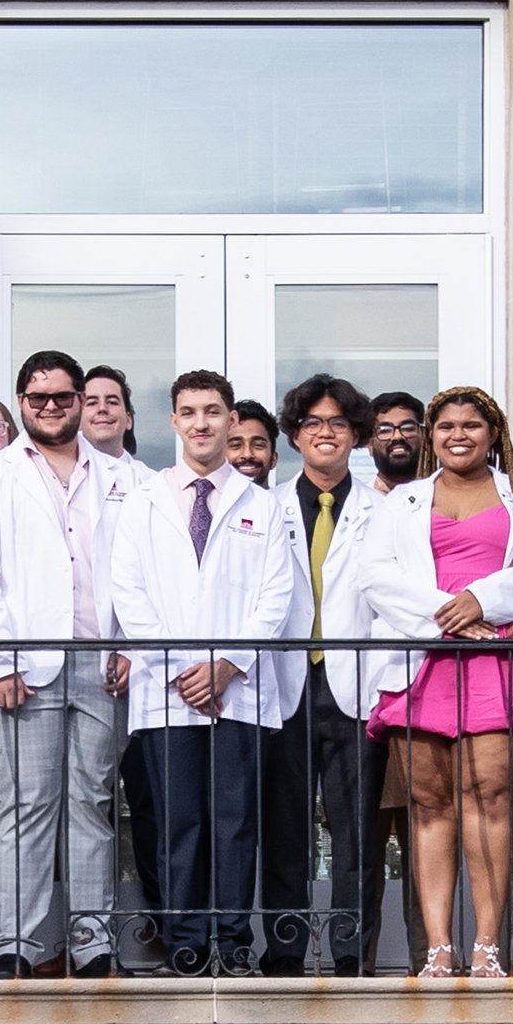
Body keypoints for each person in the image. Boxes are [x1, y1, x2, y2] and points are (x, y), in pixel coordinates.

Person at [355, 386, 513, 983]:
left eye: (471, 425)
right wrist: (447, 614)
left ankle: (488, 946)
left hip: (501, 658)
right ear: (431, 434)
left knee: (491, 800)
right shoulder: (403, 501)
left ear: (493, 432)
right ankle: (439, 948)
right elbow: (375, 575)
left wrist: (484, 602)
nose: (458, 435)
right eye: (445, 426)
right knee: (428, 806)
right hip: (424, 660)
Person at [108, 371, 301, 977]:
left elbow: (277, 596)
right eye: (189, 412)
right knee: (177, 823)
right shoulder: (143, 503)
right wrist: (177, 670)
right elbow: (127, 593)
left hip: (236, 693)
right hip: (166, 695)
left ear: (228, 420)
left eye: (213, 412)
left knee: (235, 823)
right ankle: (187, 944)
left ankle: (234, 942)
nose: (201, 423)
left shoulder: (261, 505)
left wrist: (226, 665)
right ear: (172, 422)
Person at [0, 351, 140, 981]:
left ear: (80, 401)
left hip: (100, 661)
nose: (53, 408)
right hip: (19, 667)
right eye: (39, 399)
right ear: (22, 403)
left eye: (65, 397)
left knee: (92, 802)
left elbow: (140, 574)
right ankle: (18, 943)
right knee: (24, 803)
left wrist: (128, 647)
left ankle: (91, 941)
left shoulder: (123, 477)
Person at [260, 376, 385, 978]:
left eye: (338, 423)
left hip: (355, 685)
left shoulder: (384, 512)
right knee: (284, 826)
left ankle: (350, 952)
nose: (326, 432)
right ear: (294, 435)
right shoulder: (264, 508)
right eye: (313, 423)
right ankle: (284, 951)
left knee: (356, 830)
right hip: (284, 683)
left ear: (357, 436)